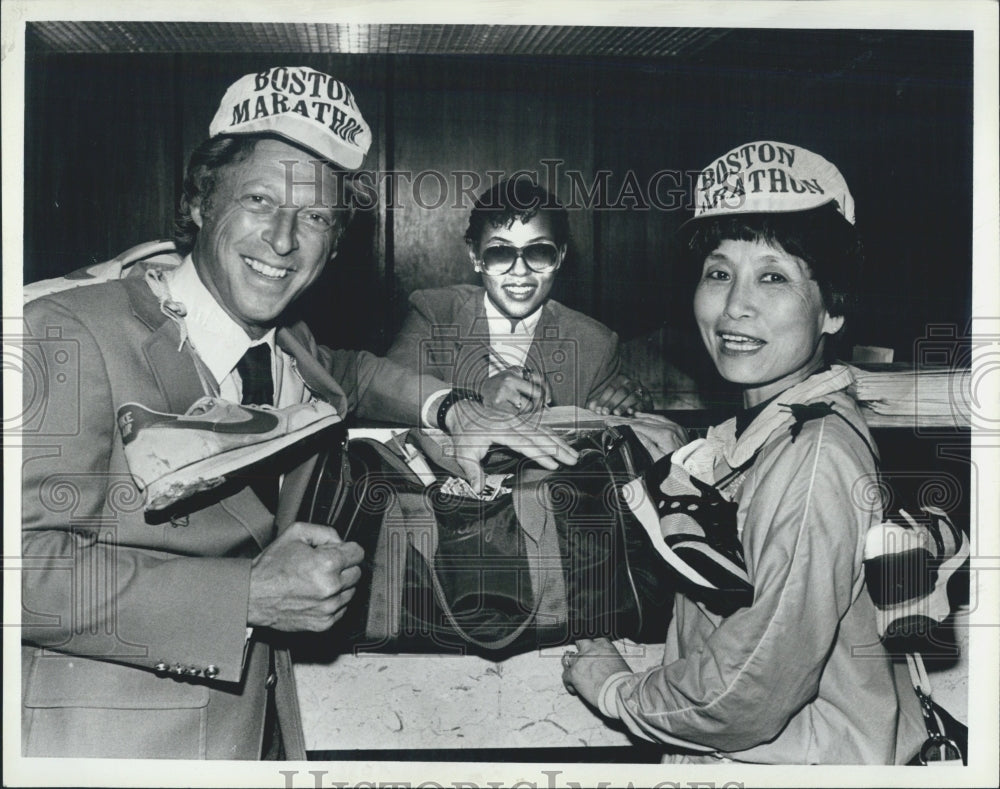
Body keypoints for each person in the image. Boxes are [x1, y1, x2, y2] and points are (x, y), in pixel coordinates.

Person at [20, 66, 577, 760]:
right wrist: (244, 596)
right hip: (106, 749)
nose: (284, 239)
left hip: (257, 735)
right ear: (198, 202)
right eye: (259, 200)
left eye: (315, 215)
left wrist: (454, 406)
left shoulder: (288, 341)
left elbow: (350, 371)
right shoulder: (68, 329)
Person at [560, 141, 926, 763]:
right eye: (719, 273)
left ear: (832, 308)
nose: (734, 306)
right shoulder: (766, 432)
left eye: (774, 277)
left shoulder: (814, 460)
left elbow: (745, 688)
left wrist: (619, 691)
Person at [386, 177, 653, 416]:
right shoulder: (435, 314)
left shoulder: (595, 344)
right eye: (500, 253)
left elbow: (622, 408)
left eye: (538, 252)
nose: (520, 270)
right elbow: (389, 393)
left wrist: (631, 403)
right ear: (475, 256)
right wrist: (477, 395)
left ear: (560, 256)